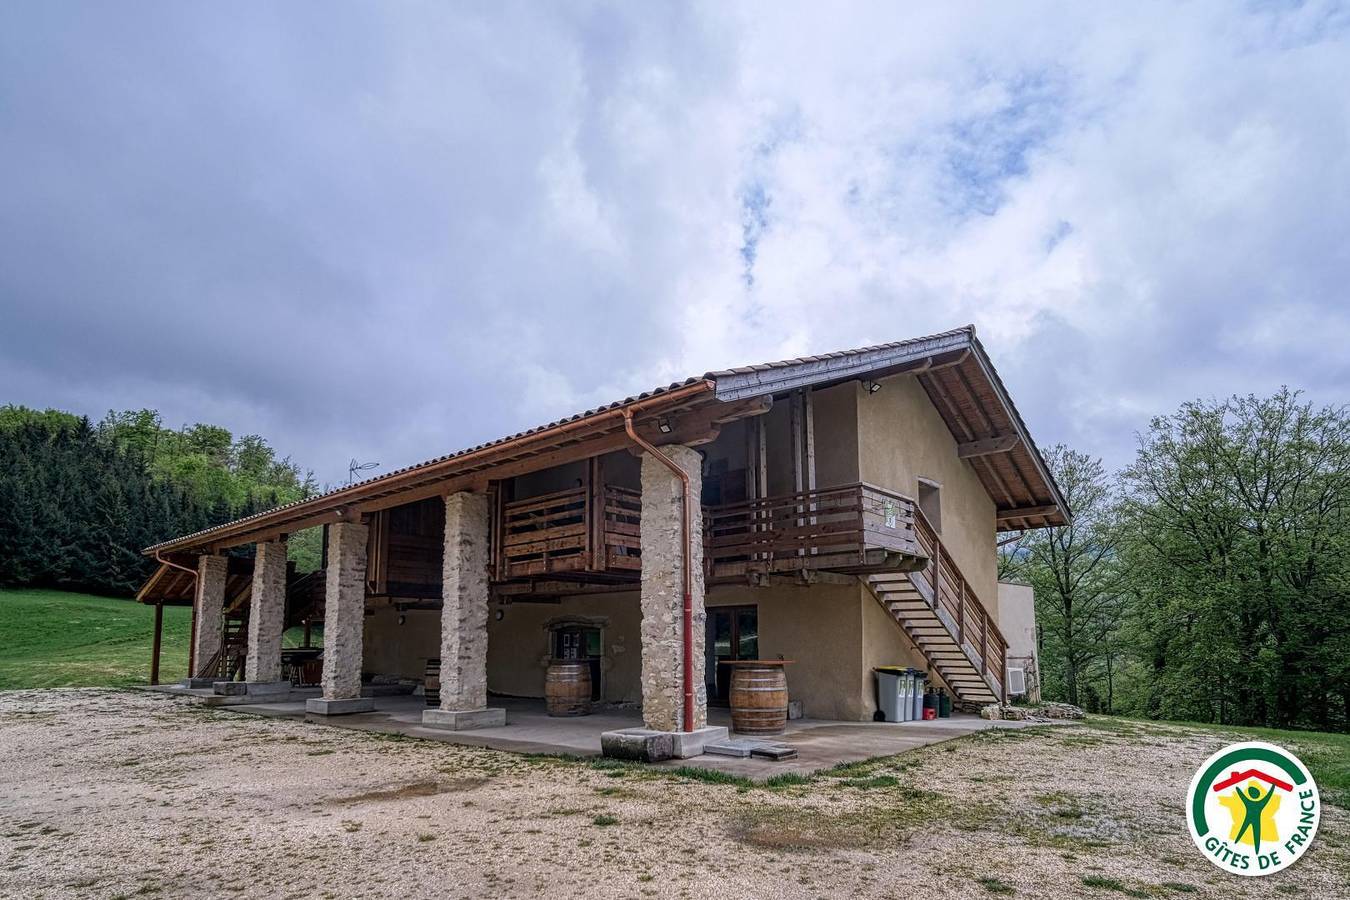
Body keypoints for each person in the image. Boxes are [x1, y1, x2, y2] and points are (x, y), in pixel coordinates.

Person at [1233, 782, 1277, 853]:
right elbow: (1269, 796)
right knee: (1256, 835)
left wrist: (1237, 787)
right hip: (1255, 820)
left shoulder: (1248, 802)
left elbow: (1241, 795)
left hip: (1251, 819)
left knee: (1243, 832)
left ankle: (1236, 843)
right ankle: (1256, 850)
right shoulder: (1261, 803)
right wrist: (1273, 786)